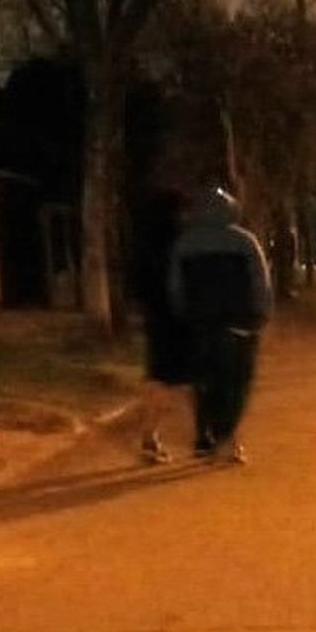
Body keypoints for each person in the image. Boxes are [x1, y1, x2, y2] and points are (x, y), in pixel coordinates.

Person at [169, 187, 273, 464]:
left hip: (198, 325)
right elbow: (260, 283)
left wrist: (183, 314)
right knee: (235, 384)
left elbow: (175, 286)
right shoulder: (245, 242)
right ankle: (226, 437)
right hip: (238, 326)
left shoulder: (185, 244)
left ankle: (204, 437)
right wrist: (261, 314)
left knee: (203, 383)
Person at [132, 187, 190, 464]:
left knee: (160, 380)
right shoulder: (181, 242)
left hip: (156, 320)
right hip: (180, 319)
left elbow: (138, 286)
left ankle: (149, 439)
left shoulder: (144, 244)